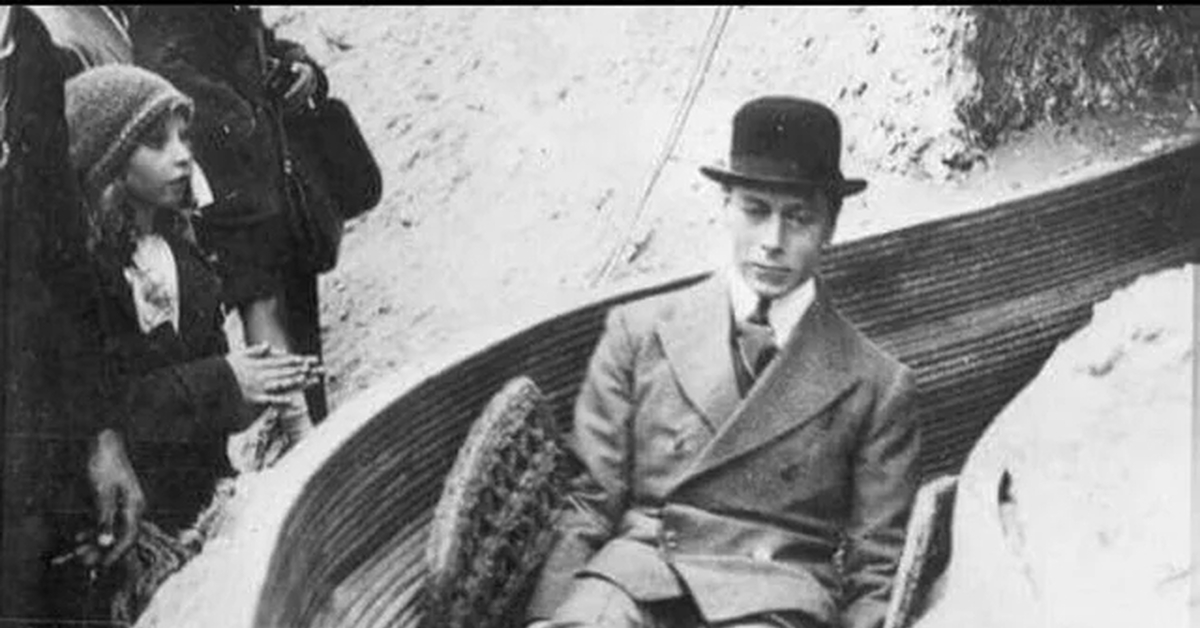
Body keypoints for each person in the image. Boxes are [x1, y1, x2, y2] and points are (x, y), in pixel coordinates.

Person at [526, 97, 921, 628]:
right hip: (638, 574)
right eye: (755, 211)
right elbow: (589, 504)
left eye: (799, 218)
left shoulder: (876, 383)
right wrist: (547, 618)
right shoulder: (639, 331)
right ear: (726, 207)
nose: (773, 242)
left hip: (774, 598)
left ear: (831, 225)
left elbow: (877, 568)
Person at [63, 65, 320, 539]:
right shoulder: (85, 282)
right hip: (133, 523)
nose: (182, 156)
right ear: (107, 157)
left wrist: (249, 396)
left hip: (202, 499)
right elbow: (100, 406)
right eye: (156, 142)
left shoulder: (180, 253)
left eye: (184, 137)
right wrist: (223, 383)